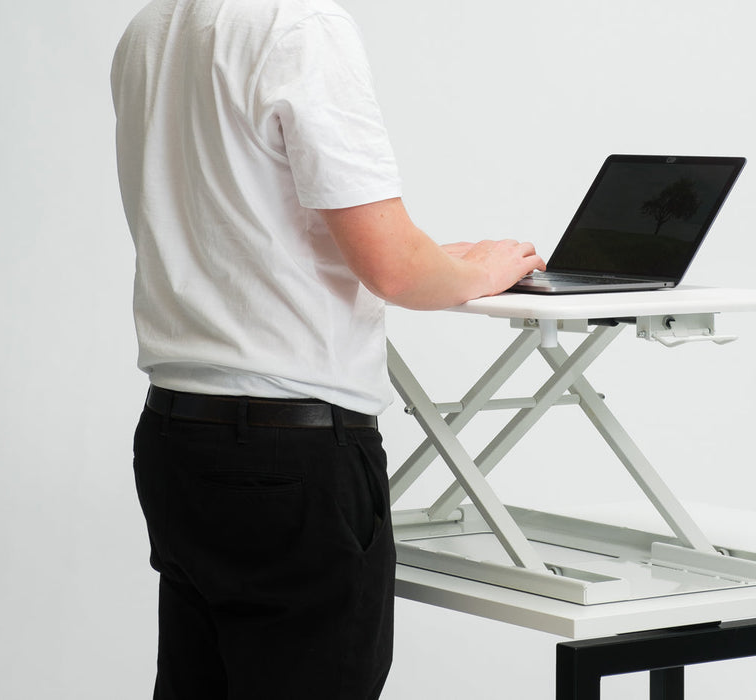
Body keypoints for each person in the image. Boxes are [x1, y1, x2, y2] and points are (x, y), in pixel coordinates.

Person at [111, 0, 544, 698]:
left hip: (176, 438)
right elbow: (394, 270)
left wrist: (436, 259)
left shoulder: (151, 28)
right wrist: (481, 270)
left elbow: (241, 225)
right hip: (291, 454)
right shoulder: (301, 25)